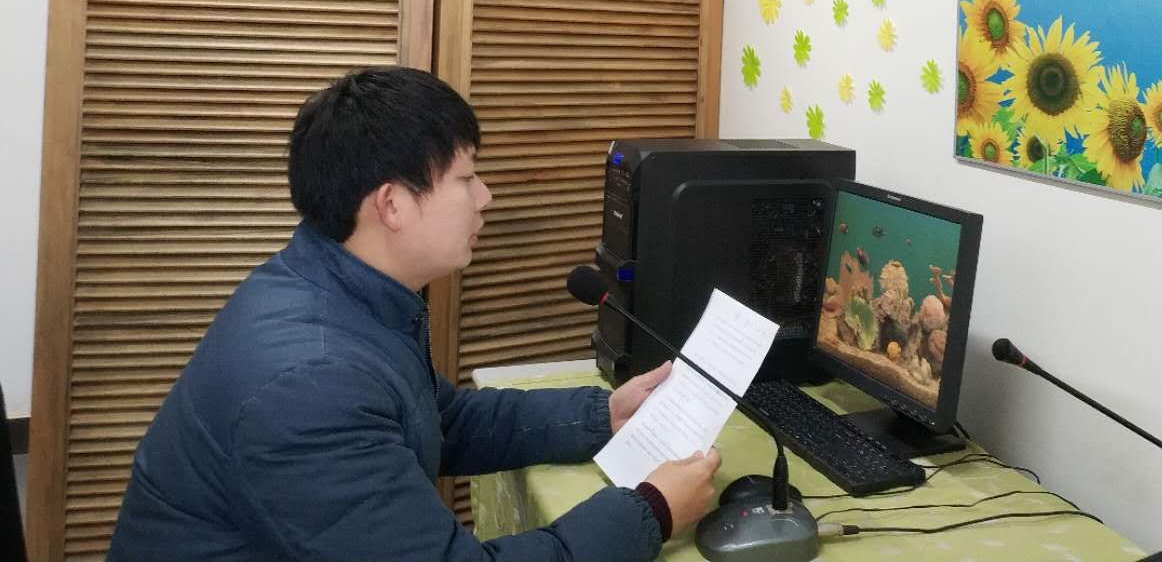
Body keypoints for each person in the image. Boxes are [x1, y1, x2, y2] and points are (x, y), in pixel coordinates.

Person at [108, 66, 721, 561]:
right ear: (393, 204)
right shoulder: (309, 383)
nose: (485, 197)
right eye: (466, 178)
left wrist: (602, 416)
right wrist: (651, 511)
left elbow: (438, 420)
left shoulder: (338, 290)